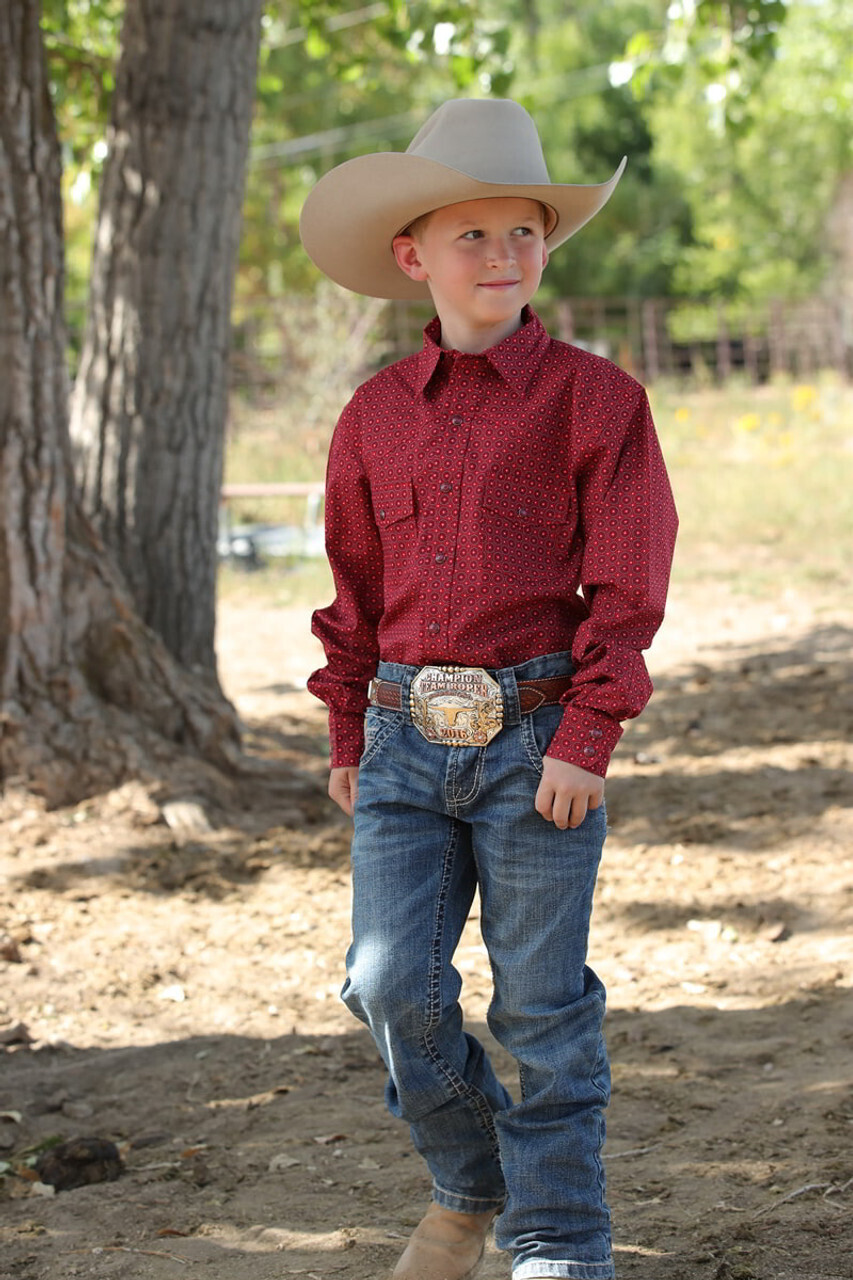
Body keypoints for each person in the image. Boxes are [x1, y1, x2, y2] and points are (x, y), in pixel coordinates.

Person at [299, 98, 677, 1280]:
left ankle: (560, 1238)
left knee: (542, 1007)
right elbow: (354, 586)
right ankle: (471, 1179)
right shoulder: (370, 417)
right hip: (404, 736)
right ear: (412, 254)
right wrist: (346, 723)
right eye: (474, 235)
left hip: (535, 735)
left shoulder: (596, 401)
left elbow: (627, 578)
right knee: (384, 982)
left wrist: (588, 732)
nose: (505, 255)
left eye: (525, 231)